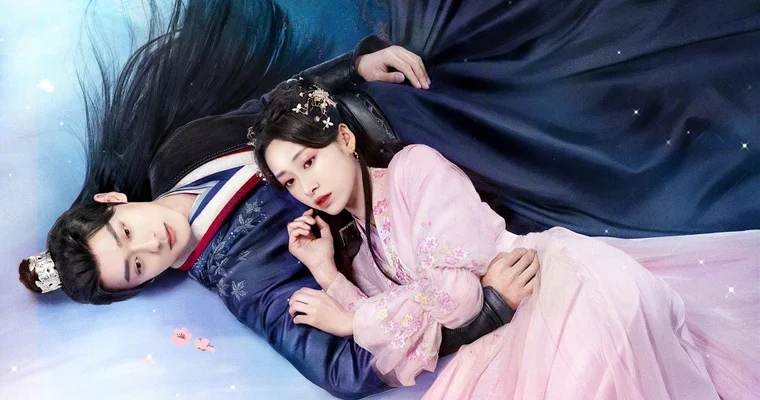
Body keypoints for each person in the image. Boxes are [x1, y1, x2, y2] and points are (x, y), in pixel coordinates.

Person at [17, 2, 521, 397]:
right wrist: (488, 311)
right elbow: (344, 372)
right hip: (438, 168)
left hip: (395, 99)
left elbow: (267, 107)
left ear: (114, 199)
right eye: (136, 267)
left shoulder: (173, 157)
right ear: (144, 283)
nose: (151, 244)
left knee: (479, 24)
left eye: (126, 231)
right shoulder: (244, 280)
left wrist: (356, 67)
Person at [252, 79, 759, 398]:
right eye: (290, 181)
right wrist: (326, 272)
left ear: (345, 139)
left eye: (309, 161)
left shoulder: (414, 170)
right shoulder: (362, 255)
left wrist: (353, 320)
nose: (307, 186)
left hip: (552, 284)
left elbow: (456, 299)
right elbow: (401, 348)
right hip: (500, 334)